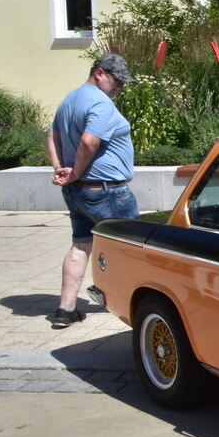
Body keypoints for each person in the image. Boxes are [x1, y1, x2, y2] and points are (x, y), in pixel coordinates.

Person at [45, 53, 139, 327]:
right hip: (106, 192)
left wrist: (61, 168)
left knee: (81, 243)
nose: (120, 87)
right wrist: (73, 171)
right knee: (136, 249)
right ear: (99, 73)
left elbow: (52, 135)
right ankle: (136, 308)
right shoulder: (100, 102)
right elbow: (88, 142)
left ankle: (65, 309)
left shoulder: (70, 99)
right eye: (117, 81)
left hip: (78, 191)